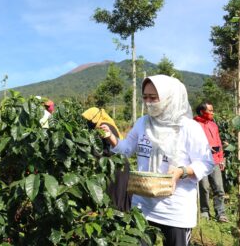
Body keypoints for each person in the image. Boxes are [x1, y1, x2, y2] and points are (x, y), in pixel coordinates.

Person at [100, 75, 214, 246]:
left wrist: (181, 172)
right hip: (142, 205)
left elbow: (206, 162)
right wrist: (111, 138)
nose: (148, 102)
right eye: (145, 97)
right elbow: (126, 150)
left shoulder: (189, 127)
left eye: (153, 98)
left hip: (175, 209)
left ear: (169, 97)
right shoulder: (143, 123)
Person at [81, 107, 131, 212]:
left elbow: (103, 150)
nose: (88, 123)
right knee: (117, 195)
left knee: (115, 196)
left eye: (89, 120)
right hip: (116, 164)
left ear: (94, 119)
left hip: (117, 167)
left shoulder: (104, 127)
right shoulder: (104, 124)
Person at [194, 102, 228, 222]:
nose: (213, 113)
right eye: (210, 111)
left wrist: (221, 158)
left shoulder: (213, 125)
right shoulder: (194, 125)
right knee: (204, 187)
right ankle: (205, 211)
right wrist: (205, 147)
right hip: (200, 161)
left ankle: (221, 213)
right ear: (202, 112)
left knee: (219, 187)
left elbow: (218, 142)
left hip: (214, 160)